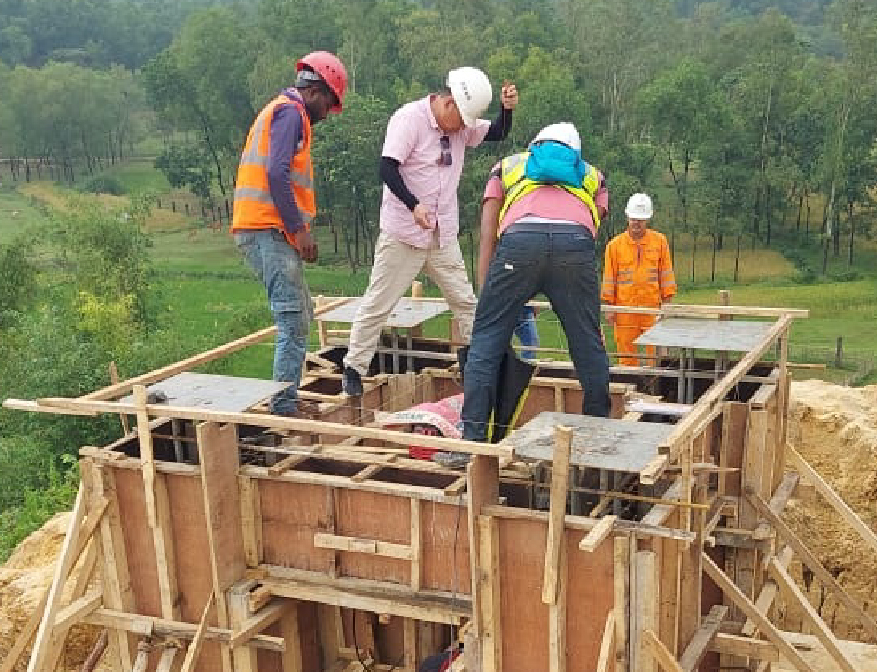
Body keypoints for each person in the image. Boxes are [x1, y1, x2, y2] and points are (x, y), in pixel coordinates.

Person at [341, 68, 519, 396]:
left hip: (441, 236)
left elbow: (497, 132)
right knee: (379, 302)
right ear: (448, 103)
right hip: (403, 234)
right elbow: (387, 168)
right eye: (461, 120)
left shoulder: (461, 126)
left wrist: (506, 110)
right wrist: (413, 205)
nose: (464, 128)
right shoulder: (409, 119)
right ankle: (354, 368)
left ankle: (479, 365)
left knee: (465, 302)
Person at [450, 122, 611, 453]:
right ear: (574, 153)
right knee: (587, 343)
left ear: (535, 145)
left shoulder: (507, 166)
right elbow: (592, 226)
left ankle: (472, 441)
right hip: (574, 246)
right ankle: (599, 435)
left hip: (519, 243)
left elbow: (488, 233)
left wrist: (488, 295)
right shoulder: (592, 175)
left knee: (486, 342)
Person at [231, 50, 348, 416]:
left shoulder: (283, 112)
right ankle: (283, 407)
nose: (327, 114)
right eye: (328, 104)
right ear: (314, 92)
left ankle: (287, 398)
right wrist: (299, 231)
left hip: (265, 227)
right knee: (293, 318)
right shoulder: (290, 114)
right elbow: (276, 173)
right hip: (267, 228)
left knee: (301, 313)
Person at [601, 192, 677, 366]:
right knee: (626, 353)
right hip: (624, 309)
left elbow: (666, 274)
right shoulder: (614, 246)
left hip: (652, 308)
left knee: (657, 354)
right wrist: (609, 307)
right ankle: (628, 380)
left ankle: (656, 381)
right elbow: (609, 278)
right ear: (627, 217)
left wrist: (667, 303)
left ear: (647, 219)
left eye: (641, 219)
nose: (637, 223)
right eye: (634, 218)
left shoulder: (659, 242)